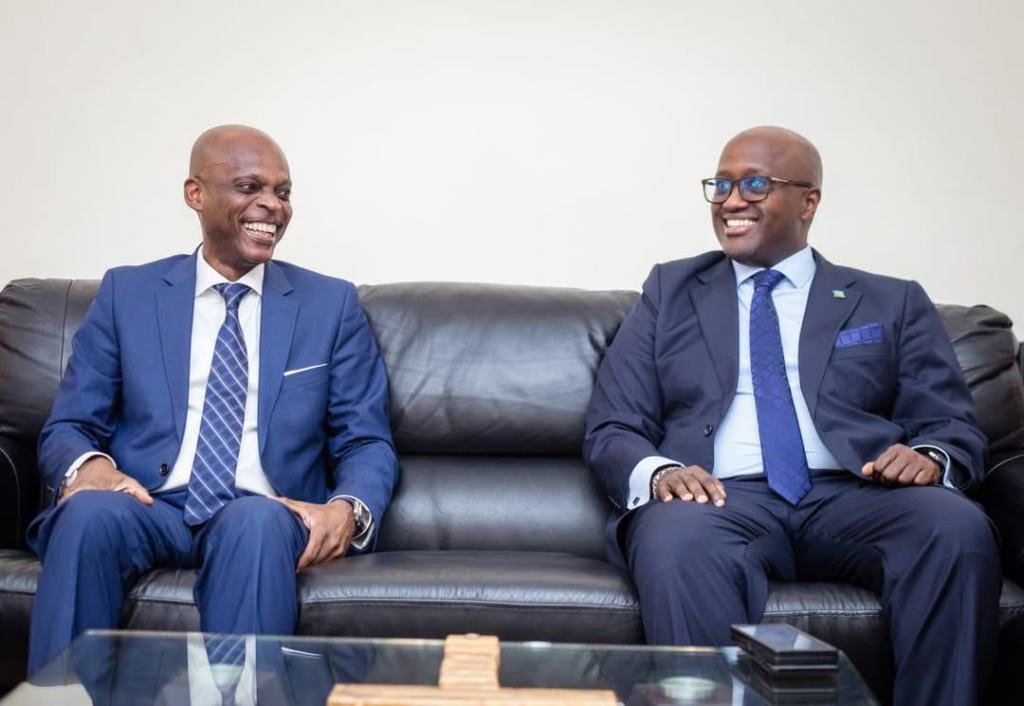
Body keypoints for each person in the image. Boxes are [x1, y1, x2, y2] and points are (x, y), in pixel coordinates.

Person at [583, 126, 1001, 705]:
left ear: (809, 201)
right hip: (719, 499)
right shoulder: (669, 292)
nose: (731, 201)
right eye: (721, 185)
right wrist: (660, 473)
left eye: (754, 184)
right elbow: (613, 423)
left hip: (859, 492)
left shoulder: (890, 300)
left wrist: (930, 458)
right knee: (674, 537)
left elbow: (950, 423)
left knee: (954, 527)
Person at [26, 125, 398, 678]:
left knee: (256, 522)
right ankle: (59, 695)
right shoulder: (128, 294)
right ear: (195, 194)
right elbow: (69, 426)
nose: (272, 205)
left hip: (262, 509)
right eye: (250, 187)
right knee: (87, 514)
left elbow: (365, 439)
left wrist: (347, 509)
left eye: (283, 192)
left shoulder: (330, 304)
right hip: (148, 505)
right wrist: (92, 468)